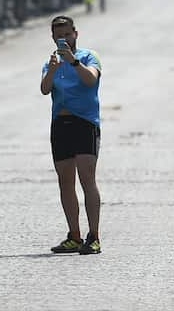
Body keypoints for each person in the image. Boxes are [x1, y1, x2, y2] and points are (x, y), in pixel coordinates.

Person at [40, 15, 104, 255]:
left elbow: (91, 80)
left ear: (75, 34)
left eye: (67, 34)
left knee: (87, 178)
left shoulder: (88, 57)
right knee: (65, 181)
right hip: (60, 123)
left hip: (85, 122)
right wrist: (52, 70)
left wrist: (74, 62)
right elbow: (45, 89)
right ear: (53, 37)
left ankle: (94, 236)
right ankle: (74, 236)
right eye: (59, 35)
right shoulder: (52, 62)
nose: (64, 39)